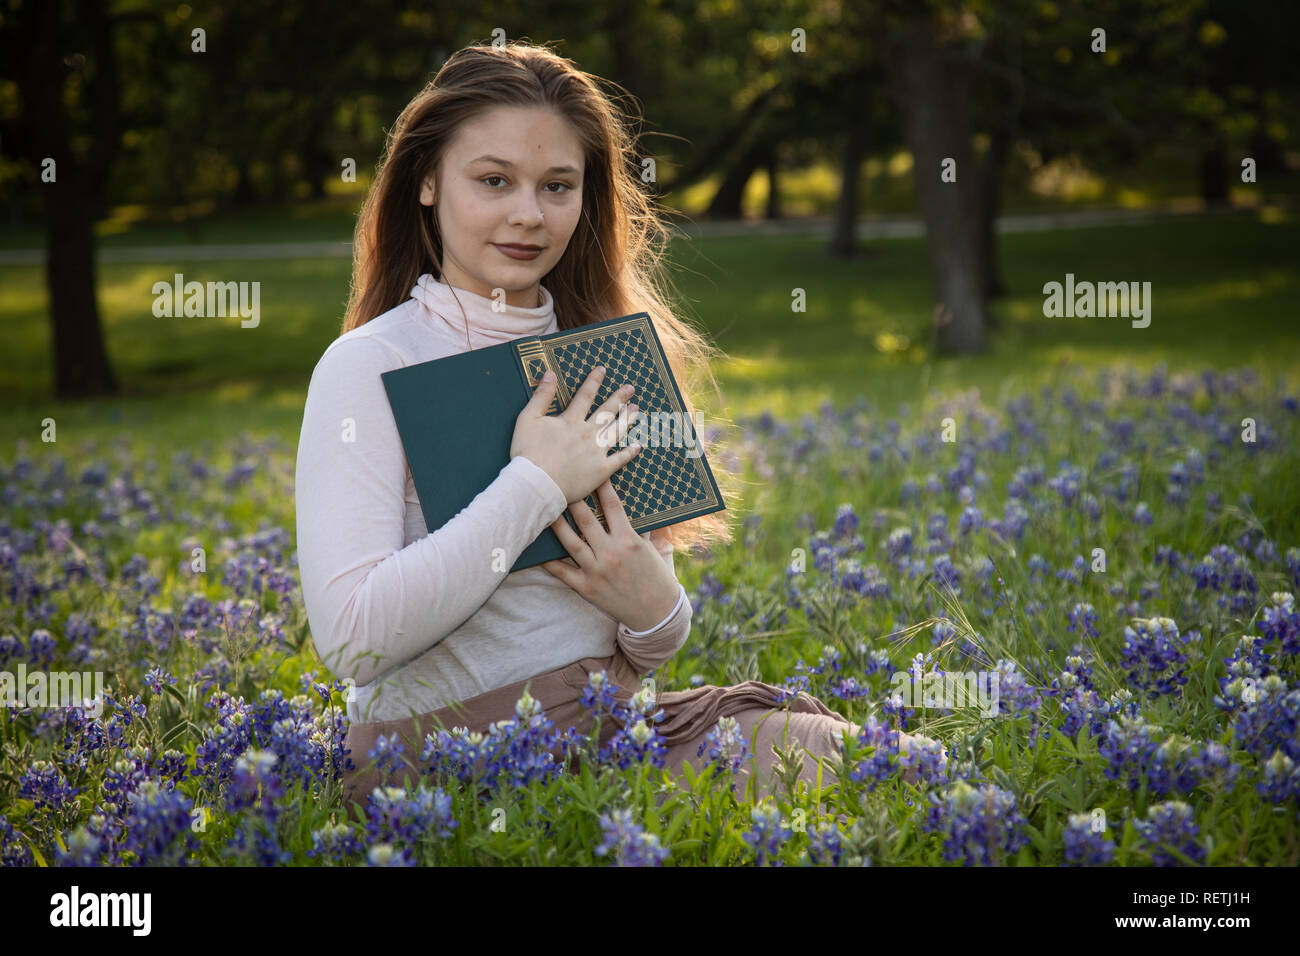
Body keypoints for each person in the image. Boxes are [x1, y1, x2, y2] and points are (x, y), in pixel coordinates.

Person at [294, 40, 945, 808]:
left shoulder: (608, 350)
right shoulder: (369, 362)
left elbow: (643, 628)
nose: (528, 214)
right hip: (442, 762)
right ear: (428, 181)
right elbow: (354, 640)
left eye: (557, 185)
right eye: (494, 180)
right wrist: (536, 482)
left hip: (613, 724)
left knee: (909, 773)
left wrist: (657, 613)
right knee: (861, 786)